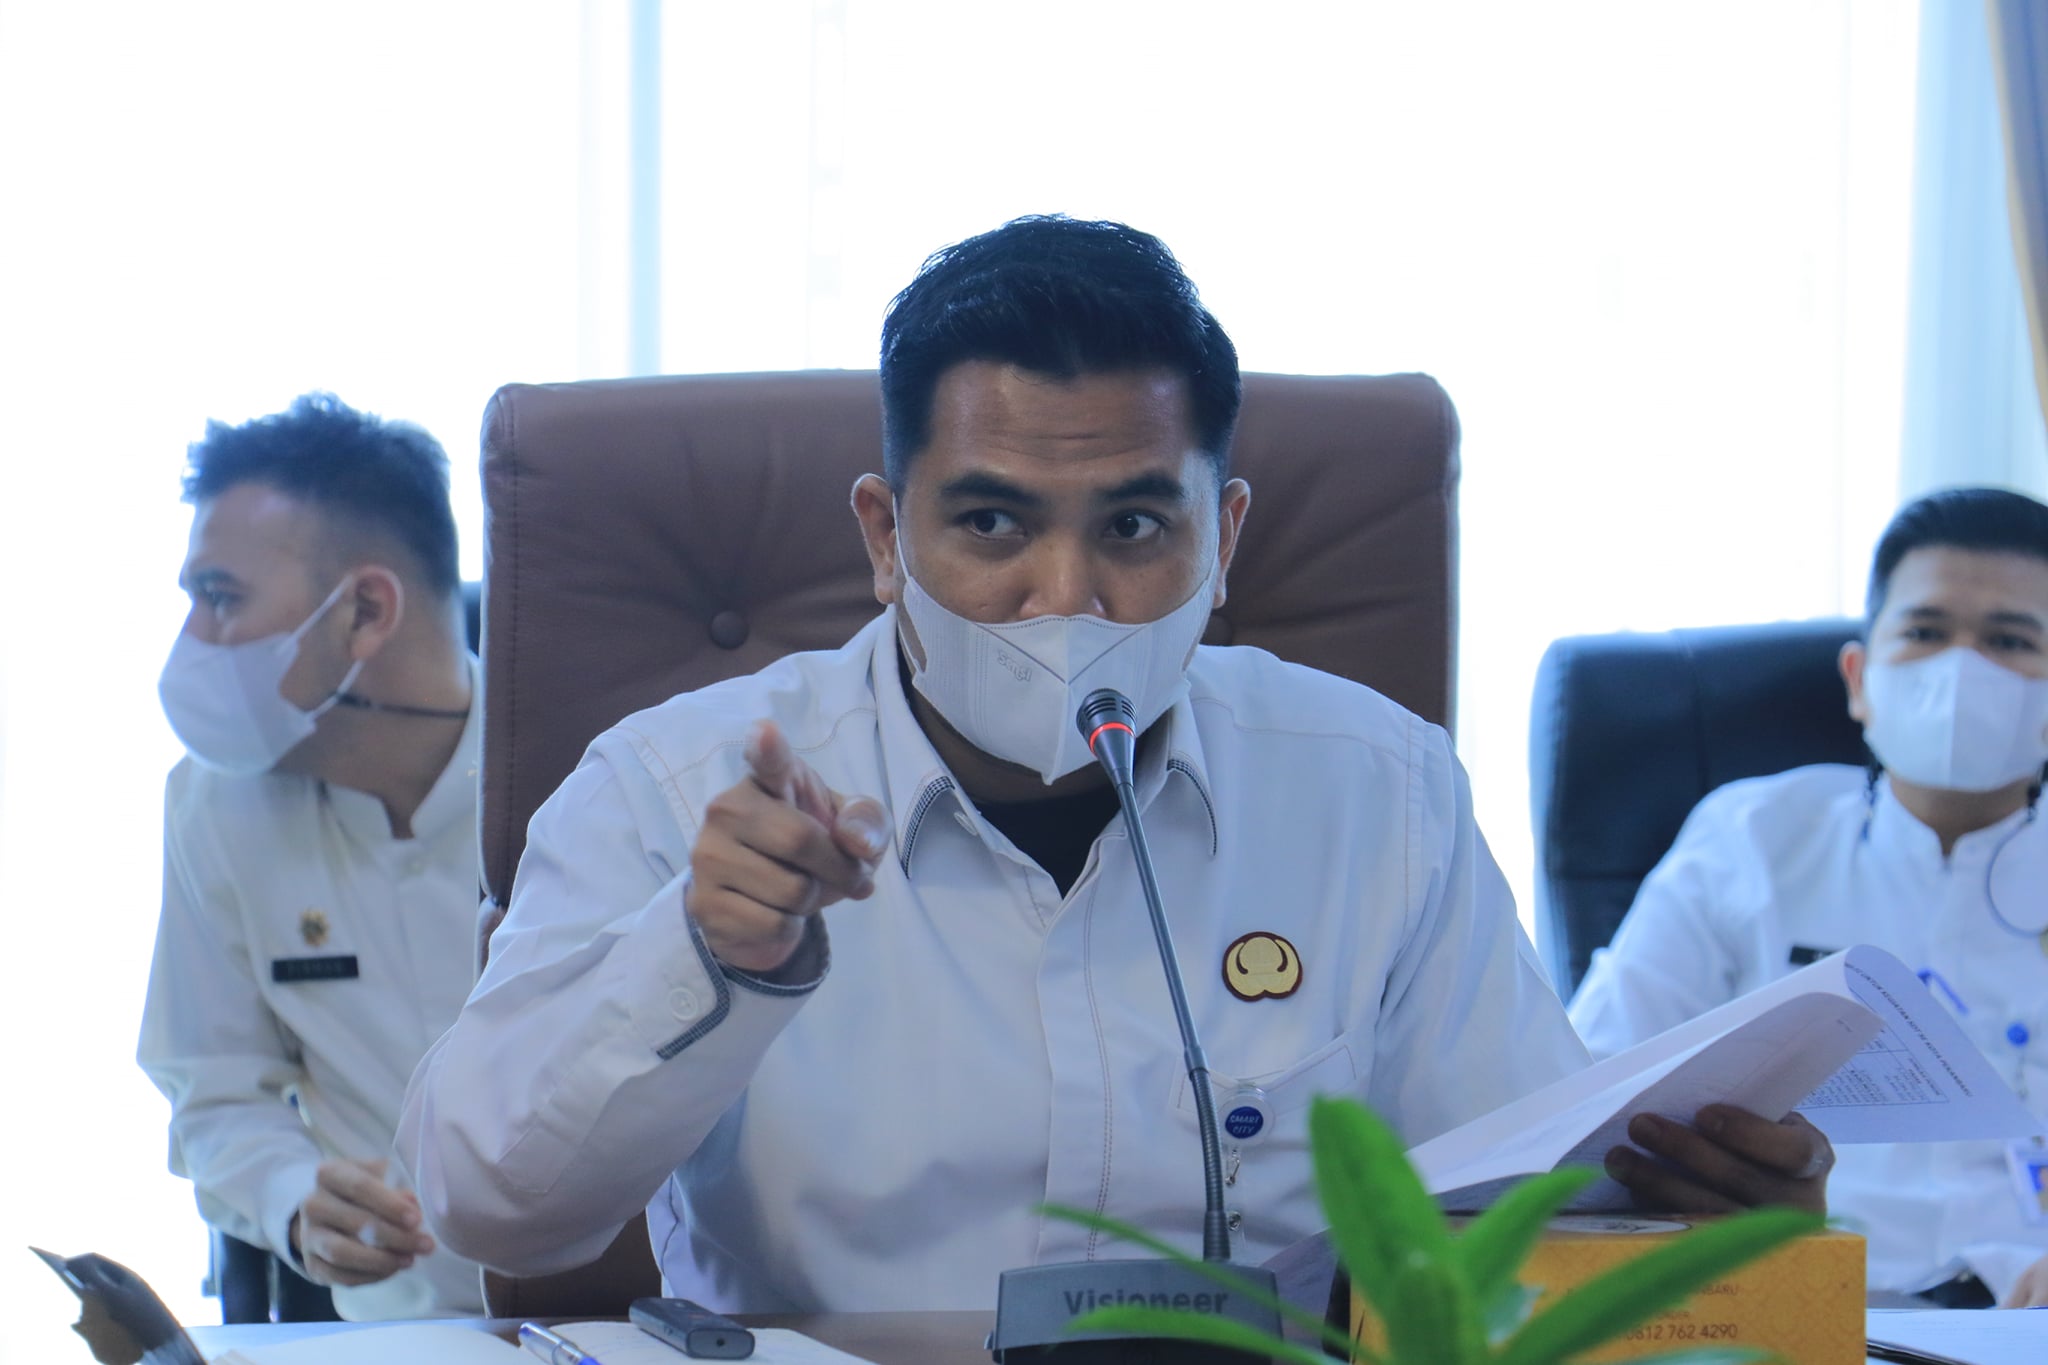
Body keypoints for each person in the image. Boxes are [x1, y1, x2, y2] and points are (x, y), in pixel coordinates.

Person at [399, 216, 1830, 1313]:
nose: (1065, 596)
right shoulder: (676, 788)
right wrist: (705, 954)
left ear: (1226, 538)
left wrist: (1703, 1213)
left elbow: (1511, 1204)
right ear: (885, 538)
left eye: (1135, 529)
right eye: (992, 525)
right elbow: (487, 1208)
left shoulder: (1375, 790)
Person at [1571, 486, 2048, 1308]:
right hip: (1782, 1301)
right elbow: (1588, 1095)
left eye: (2009, 640)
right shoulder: (1751, 838)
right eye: (1925, 632)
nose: (1961, 669)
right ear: (1860, 680)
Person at [138, 393, 487, 1320]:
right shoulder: (212, 801)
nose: (190, 644)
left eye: (221, 598)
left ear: (365, 610)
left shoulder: (594, 773)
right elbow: (213, 1088)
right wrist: (294, 1199)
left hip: (643, 1320)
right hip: (398, 1333)